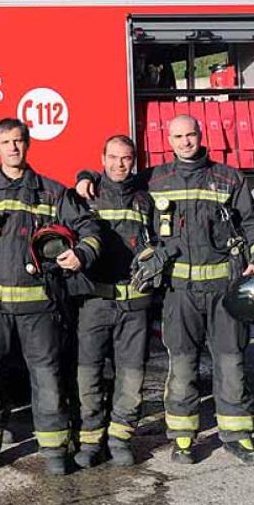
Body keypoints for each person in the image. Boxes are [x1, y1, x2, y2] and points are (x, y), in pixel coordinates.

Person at [0, 118, 101, 476]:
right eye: (6, 142)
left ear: (28, 144)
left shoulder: (52, 193)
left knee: (48, 380)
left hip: (39, 307)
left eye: (19, 141)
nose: (13, 147)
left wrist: (81, 254)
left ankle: (54, 450)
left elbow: (88, 227)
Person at [150, 114, 254, 466]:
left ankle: (238, 435)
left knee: (231, 361)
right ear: (168, 141)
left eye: (190, 134)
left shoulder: (228, 177)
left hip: (224, 287)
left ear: (200, 135)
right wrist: (86, 180)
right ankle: (184, 438)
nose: (185, 141)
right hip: (180, 292)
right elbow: (120, 189)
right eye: (178, 136)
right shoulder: (157, 179)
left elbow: (253, 223)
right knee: (183, 365)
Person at [68, 135, 155, 468]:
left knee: (131, 378)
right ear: (102, 158)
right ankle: (90, 440)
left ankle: (120, 438)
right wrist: (84, 175)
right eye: (114, 157)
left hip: (135, 304)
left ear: (134, 160)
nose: (121, 164)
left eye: (127, 158)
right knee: (87, 376)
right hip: (94, 302)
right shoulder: (84, 197)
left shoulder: (146, 199)